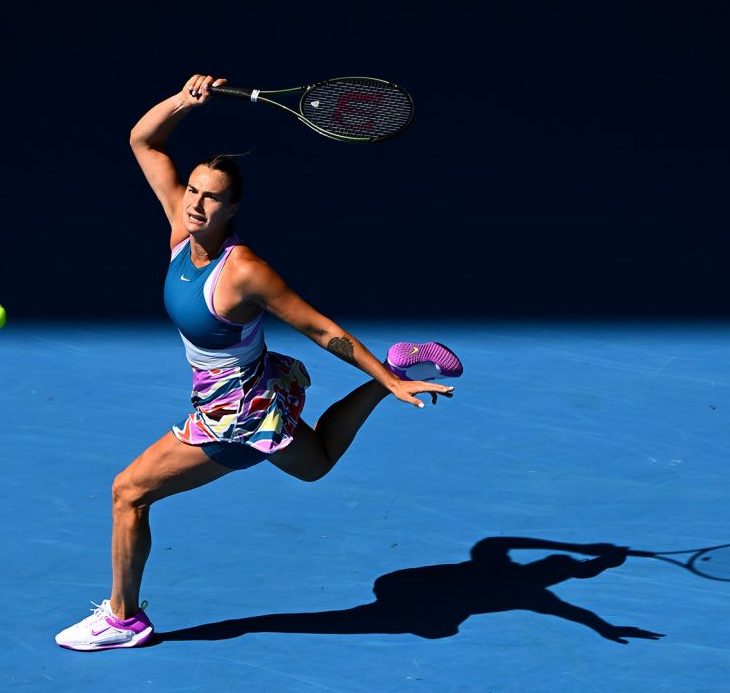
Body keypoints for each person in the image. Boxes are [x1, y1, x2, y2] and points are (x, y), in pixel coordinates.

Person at [54, 74, 463, 651]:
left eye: (212, 197)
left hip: (236, 410)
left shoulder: (244, 271)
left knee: (129, 492)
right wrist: (183, 100)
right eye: (193, 190)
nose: (196, 203)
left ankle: (123, 619)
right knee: (317, 461)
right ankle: (399, 372)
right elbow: (144, 142)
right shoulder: (180, 224)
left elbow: (320, 328)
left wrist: (382, 375)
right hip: (251, 389)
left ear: (233, 208)